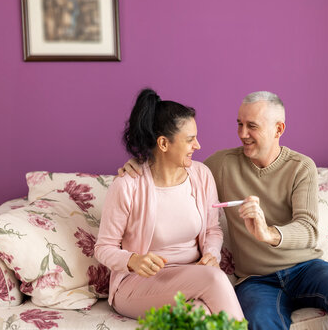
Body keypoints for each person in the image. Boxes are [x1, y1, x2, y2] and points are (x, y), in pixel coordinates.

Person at [119, 91, 328, 329]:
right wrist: (143, 162)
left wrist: (268, 233)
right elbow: (176, 165)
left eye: (252, 126)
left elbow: (308, 229)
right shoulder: (221, 165)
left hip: (305, 268)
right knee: (260, 322)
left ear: (278, 129)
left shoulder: (301, 167)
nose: (242, 133)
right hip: (255, 279)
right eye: (240, 124)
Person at [95, 88, 244, 321]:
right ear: (164, 143)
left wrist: (211, 253)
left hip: (191, 277)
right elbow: (103, 247)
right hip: (137, 285)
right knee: (215, 278)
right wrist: (132, 260)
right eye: (190, 139)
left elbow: (213, 230)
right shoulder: (127, 185)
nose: (198, 145)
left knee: (200, 315)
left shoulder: (202, 175)